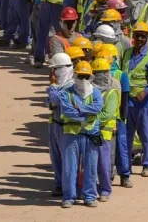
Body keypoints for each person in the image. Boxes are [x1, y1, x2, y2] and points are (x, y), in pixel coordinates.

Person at [57, 60, 103, 208]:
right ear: (75, 75)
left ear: (90, 77)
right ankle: (69, 196)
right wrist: (86, 113)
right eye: (80, 76)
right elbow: (67, 111)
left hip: (91, 134)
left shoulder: (95, 92)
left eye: (86, 77)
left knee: (91, 166)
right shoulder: (66, 92)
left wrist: (80, 108)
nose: (83, 80)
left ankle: (89, 196)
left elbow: (97, 107)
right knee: (70, 167)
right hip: (71, 134)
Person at [122, 21, 148, 176]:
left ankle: (147, 165)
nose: (139, 39)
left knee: (146, 134)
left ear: (147, 37)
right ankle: (126, 166)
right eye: (137, 35)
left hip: (144, 103)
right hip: (128, 102)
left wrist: (145, 92)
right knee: (127, 135)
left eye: (142, 36)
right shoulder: (126, 54)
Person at [46, 52, 74, 198]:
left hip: (66, 127)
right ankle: (58, 183)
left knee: (67, 158)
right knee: (55, 157)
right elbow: (49, 103)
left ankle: (68, 187)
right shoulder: (57, 85)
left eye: (55, 69)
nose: (53, 73)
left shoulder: (71, 85)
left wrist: (52, 86)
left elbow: (56, 101)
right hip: (54, 125)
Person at [91, 56, 119, 203]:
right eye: (97, 73)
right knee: (90, 164)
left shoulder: (111, 92)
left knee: (104, 164)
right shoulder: (90, 90)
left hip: (104, 134)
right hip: (90, 133)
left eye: (104, 72)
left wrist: (90, 118)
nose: (101, 76)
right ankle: (90, 189)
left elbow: (107, 114)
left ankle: (105, 190)